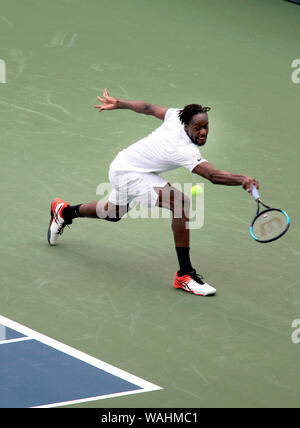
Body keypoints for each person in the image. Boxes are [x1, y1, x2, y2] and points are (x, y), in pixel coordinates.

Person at [47, 89, 259, 296]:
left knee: (112, 213)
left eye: (206, 126)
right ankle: (185, 275)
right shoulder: (183, 149)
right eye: (197, 127)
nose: (203, 132)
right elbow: (213, 176)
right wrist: (242, 179)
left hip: (126, 164)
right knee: (181, 203)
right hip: (127, 172)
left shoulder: (177, 115)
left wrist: (121, 103)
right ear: (186, 125)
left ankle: (64, 212)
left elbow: (148, 108)